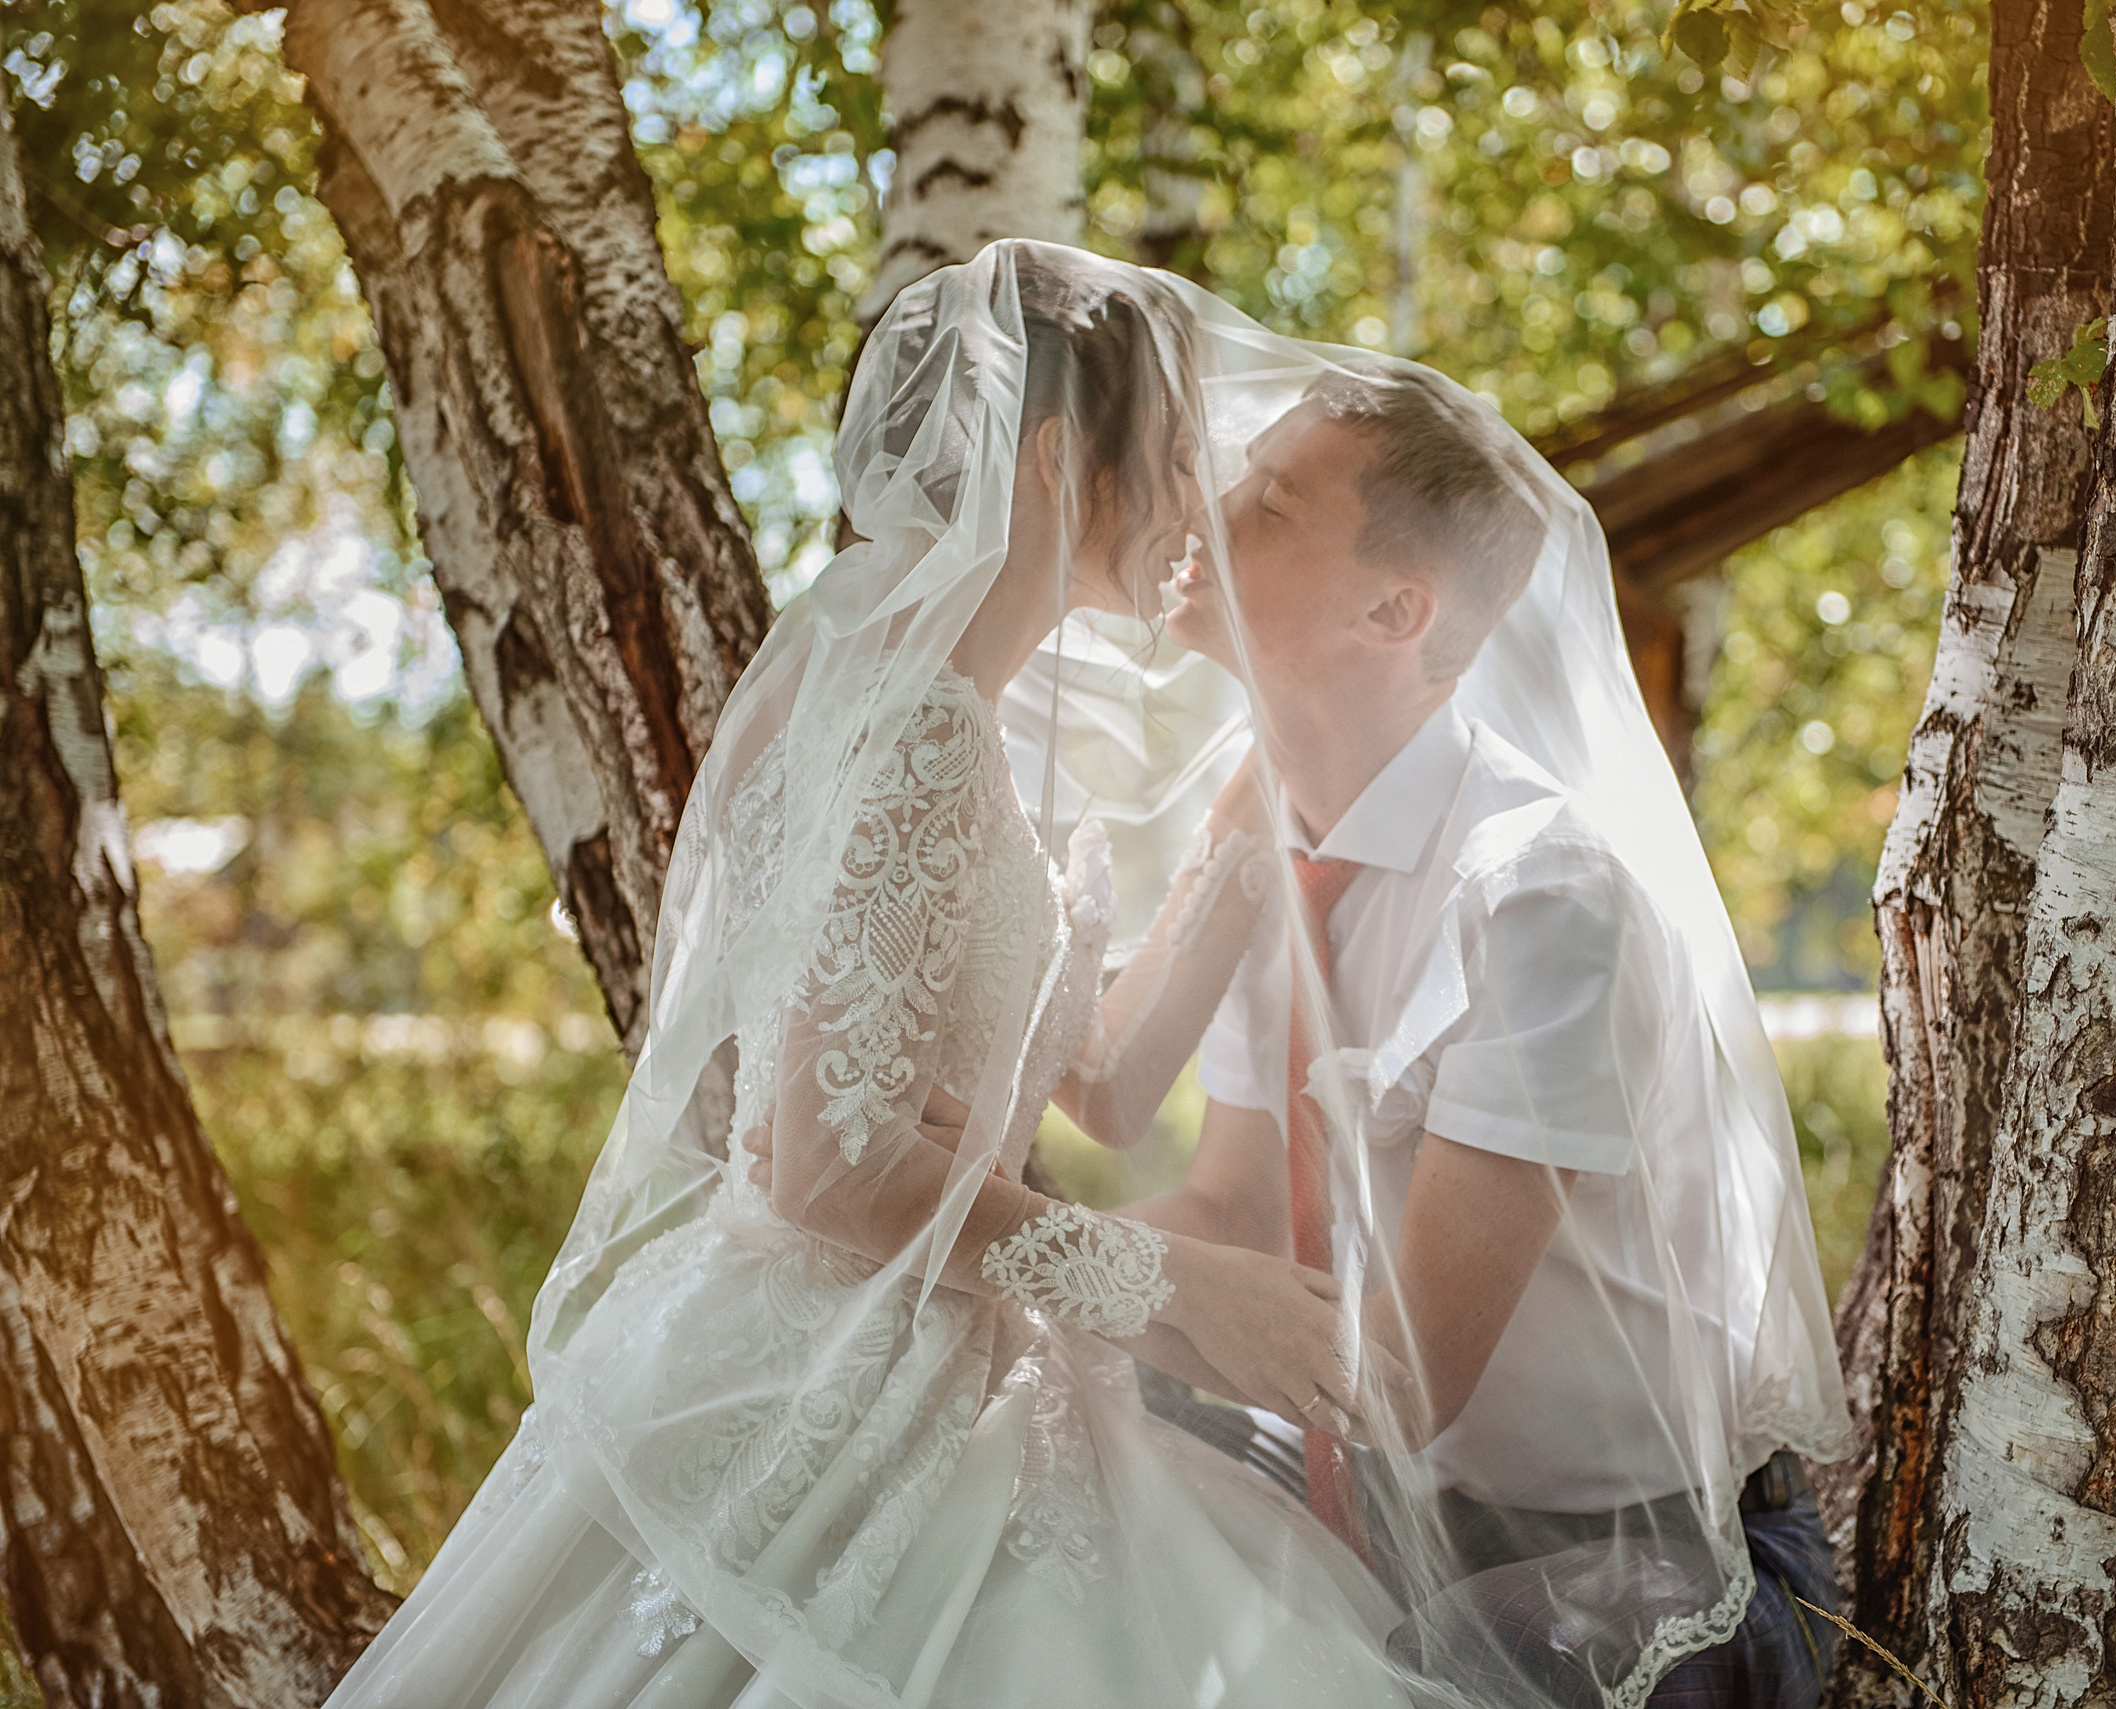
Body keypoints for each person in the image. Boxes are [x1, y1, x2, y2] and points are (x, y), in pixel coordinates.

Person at [320, 242, 1418, 1709]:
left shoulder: (941, 710)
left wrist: (1247, 821)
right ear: (1049, 460)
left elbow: (1098, 1080)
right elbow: (822, 1165)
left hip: (935, 1355)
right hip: (830, 1385)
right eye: (1165, 458)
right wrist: (1177, 1283)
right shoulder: (914, 734)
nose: (1191, 510)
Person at [1128, 359, 1855, 1709]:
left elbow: (1404, 1379)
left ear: (1396, 606)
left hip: (1637, 1571)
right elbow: (1230, 1199)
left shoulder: (1539, 891)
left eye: (1272, 500)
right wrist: (983, 1267)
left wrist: (1064, 1272)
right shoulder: (1259, 847)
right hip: (1396, 1507)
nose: (1209, 507)